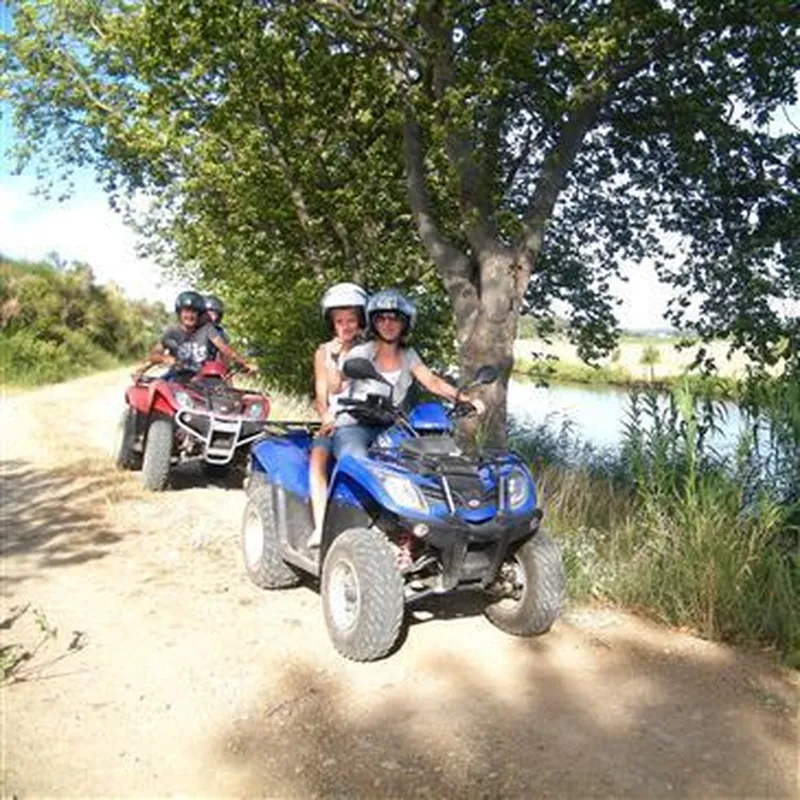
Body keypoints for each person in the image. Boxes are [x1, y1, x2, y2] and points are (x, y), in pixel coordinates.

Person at [332, 289, 485, 460]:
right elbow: (338, 383)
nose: (387, 324)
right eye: (381, 318)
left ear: (404, 323)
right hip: (356, 425)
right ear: (373, 323)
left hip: (393, 427)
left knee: (429, 462)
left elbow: (432, 381)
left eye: (394, 318)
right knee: (356, 461)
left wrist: (463, 398)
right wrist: (335, 363)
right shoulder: (362, 352)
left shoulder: (408, 355)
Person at [308, 282, 368, 547]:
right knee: (318, 458)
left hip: (365, 419)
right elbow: (324, 394)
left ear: (360, 321)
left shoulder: (371, 349)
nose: (346, 326)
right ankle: (322, 526)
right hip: (336, 418)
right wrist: (326, 417)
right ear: (332, 324)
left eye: (351, 320)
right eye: (340, 321)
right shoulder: (323, 352)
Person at [133, 290, 257, 380]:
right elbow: (154, 355)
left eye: (194, 312)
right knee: (156, 388)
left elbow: (226, 350)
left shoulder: (208, 330)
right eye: (186, 312)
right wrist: (165, 359)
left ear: (199, 315)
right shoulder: (171, 332)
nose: (190, 316)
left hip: (203, 379)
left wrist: (245, 363)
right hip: (177, 377)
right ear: (179, 313)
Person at [203, 294, 230, 361]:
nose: (214, 317)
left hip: (208, 368)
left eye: (216, 314)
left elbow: (224, 354)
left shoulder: (220, 333)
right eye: (210, 313)